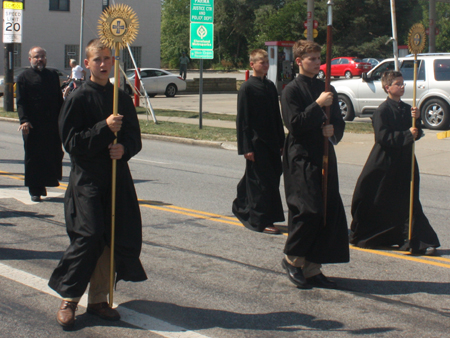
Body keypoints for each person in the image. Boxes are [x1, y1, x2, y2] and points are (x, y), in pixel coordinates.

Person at [48, 38, 147, 328]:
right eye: (97, 60)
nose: (103, 64)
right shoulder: (77, 98)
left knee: (111, 238)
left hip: (116, 178)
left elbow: (134, 137)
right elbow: (71, 142)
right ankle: (69, 298)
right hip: (87, 179)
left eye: (108, 59)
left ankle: (99, 300)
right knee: (89, 236)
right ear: (88, 63)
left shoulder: (121, 97)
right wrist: (104, 128)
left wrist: (124, 149)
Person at [280, 40, 349, 289]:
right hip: (301, 156)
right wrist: (318, 104)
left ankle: (312, 266)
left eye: (319, 58)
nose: (316, 62)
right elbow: (295, 124)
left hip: (323, 153)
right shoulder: (291, 90)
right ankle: (292, 259)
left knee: (326, 210)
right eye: (311, 58)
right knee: (307, 209)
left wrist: (332, 131)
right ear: (299, 61)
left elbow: (338, 122)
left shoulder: (326, 88)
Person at [350, 70, 440, 255]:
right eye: (397, 83)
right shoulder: (382, 111)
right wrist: (408, 134)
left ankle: (417, 240)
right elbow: (383, 137)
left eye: (402, 83)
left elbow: (417, 132)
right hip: (385, 162)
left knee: (409, 200)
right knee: (378, 198)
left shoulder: (408, 109)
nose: (402, 86)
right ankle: (376, 235)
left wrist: (416, 120)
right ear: (387, 87)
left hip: (405, 161)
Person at [232, 49, 285, 235]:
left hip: (272, 141)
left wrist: (281, 140)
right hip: (256, 143)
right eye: (261, 62)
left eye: (266, 62)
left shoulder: (270, 86)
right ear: (252, 64)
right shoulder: (247, 88)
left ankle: (242, 205)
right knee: (260, 182)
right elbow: (243, 120)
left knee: (272, 178)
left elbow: (276, 116)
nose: (265, 65)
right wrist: (246, 147)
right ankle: (262, 220)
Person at [16, 46, 64, 202]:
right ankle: (35, 190)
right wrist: (24, 120)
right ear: (30, 59)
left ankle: (47, 182)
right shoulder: (23, 77)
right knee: (34, 157)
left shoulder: (52, 75)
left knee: (53, 154)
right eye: (36, 57)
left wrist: (64, 117)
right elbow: (21, 102)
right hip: (32, 125)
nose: (40, 59)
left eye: (42, 56)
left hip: (51, 123)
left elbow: (58, 99)